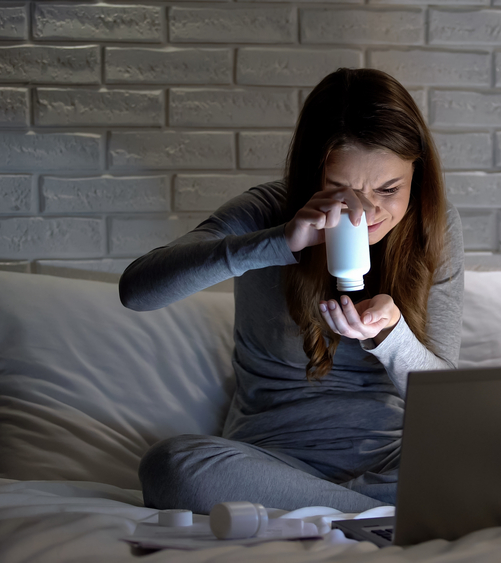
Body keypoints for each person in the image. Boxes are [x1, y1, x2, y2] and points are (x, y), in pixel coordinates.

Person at [119, 68, 464, 515]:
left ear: (416, 175)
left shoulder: (433, 227)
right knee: (171, 466)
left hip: (390, 461)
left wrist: (392, 336)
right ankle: (384, 517)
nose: (366, 209)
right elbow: (138, 290)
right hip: (271, 463)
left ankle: (350, 513)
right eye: (340, 189)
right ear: (310, 174)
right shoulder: (269, 212)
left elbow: (446, 399)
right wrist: (277, 243)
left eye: (389, 188)